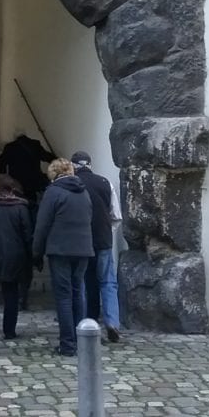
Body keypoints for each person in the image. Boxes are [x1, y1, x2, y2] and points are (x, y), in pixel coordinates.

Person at [32, 158, 93, 356]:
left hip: (60, 250)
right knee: (78, 292)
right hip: (83, 248)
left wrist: (36, 252)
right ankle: (82, 339)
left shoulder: (53, 192)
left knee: (64, 296)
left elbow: (42, 225)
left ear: (53, 173)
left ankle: (67, 343)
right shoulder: (83, 192)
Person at [0, 132, 55, 309]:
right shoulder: (35, 145)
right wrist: (56, 158)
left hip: (16, 186)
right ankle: (33, 251)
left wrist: (3, 176)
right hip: (32, 187)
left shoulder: (10, 148)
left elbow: (1, 162)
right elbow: (46, 157)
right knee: (31, 214)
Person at [72, 151, 123, 343]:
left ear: (73, 166)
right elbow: (116, 215)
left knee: (83, 283)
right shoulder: (104, 183)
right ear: (90, 165)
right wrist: (108, 233)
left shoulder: (71, 185)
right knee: (108, 283)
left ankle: (85, 323)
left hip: (79, 242)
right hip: (103, 241)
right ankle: (112, 323)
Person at [0, 175, 33, 339]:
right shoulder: (20, 207)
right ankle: (9, 329)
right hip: (14, 253)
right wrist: (31, 254)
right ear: (12, 188)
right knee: (11, 292)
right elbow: (27, 233)